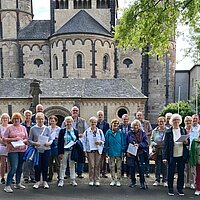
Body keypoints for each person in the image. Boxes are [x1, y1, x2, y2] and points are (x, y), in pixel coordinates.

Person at [163, 114, 189, 196]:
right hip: (172, 155)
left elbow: (187, 142)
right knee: (171, 172)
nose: (176, 121)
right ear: (172, 121)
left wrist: (186, 142)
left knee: (181, 173)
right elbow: (165, 146)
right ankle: (170, 189)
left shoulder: (183, 130)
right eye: (174, 120)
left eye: (178, 120)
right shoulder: (168, 132)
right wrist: (164, 157)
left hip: (181, 154)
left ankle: (180, 189)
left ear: (180, 121)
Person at [3, 112, 28, 193]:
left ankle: (18, 183)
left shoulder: (23, 128)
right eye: (15, 119)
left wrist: (22, 140)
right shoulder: (9, 128)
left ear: (20, 119)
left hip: (22, 149)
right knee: (14, 167)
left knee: (20, 168)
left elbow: (26, 139)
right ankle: (7, 185)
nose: (16, 120)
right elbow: (4, 138)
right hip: (12, 150)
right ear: (12, 120)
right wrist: (13, 139)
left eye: (18, 118)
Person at [29, 112, 52, 189]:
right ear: (36, 120)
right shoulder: (33, 129)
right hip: (37, 150)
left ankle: (45, 181)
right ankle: (37, 181)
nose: (40, 120)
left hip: (46, 149)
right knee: (37, 166)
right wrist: (35, 143)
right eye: (39, 119)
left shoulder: (47, 128)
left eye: (42, 119)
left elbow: (51, 139)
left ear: (44, 120)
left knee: (45, 165)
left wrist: (49, 143)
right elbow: (29, 140)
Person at [82, 116, 105, 186]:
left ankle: (97, 180)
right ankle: (91, 180)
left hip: (98, 150)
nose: (93, 123)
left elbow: (103, 140)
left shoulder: (100, 131)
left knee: (97, 166)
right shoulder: (86, 132)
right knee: (91, 166)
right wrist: (85, 151)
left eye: (95, 122)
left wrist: (100, 142)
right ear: (90, 123)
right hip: (90, 150)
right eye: (92, 122)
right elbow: (84, 142)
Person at [57, 116, 79, 187]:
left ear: (72, 122)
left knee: (72, 165)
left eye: (70, 122)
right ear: (65, 122)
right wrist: (60, 153)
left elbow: (77, 141)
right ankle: (61, 180)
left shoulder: (75, 131)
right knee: (63, 165)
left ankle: (73, 180)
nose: (69, 123)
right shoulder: (62, 131)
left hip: (73, 150)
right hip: (64, 151)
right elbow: (60, 142)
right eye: (67, 122)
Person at [126, 119, 148, 189]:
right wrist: (127, 151)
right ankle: (133, 181)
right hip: (131, 152)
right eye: (134, 126)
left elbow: (146, 143)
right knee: (132, 167)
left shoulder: (143, 133)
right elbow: (126, 142)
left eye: (137, 126)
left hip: (140, 153)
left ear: (139, 126)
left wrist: (139, 145)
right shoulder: (129, 133)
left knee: (141, 168)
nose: (135, 127)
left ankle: (142, 182)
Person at [104, 119, 126, 187]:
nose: (115, 125)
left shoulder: (121, 132)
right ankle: (113, 179)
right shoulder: (108, 132)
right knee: (112, 167)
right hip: (111, 152)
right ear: (111, 124)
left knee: (119, 167)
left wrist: (123, 150)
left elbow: (123, 142)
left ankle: (118, 180)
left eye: (117, 123)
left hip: (119, 152)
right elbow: (106, 142)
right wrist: (106, 151)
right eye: (114, 123)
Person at [70, 106, 87, 178]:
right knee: (70, 156)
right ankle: (68, 173)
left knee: (80, 156)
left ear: (78, 112)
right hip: (70, 141)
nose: (75, 112)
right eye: (73, 110)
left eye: (76, 110)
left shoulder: (82, 121)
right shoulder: (67, 120)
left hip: (80, 141)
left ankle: (79, 172)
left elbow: (86, 131)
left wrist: (82, 134)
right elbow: (63, 129)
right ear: (71, 112)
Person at [151, 116, 168, 187]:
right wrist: (155, 144)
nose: (161, 123)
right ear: (158, 122)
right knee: (157, 166)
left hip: (165, 150)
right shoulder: (154, 131)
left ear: (165, 122)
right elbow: (151, 140)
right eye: (159, 121)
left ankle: (165, 180)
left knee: (165, 166)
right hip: (157, 150)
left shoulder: (168, 130)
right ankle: (157, 180)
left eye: (162, 121)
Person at [21, 110, 36, 183]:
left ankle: (33, 177)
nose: (28, 117)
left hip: (32, 145)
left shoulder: (34, 125)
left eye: (29, 115)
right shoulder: (21, 125)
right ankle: (26, 177)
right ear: (24, 116)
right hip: (24, 145)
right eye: (26, 115)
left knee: (32, 161)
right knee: (25, 161)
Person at [136, 111, 152, 177]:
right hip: (138, 144)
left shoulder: (147, 123)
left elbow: (151, 131)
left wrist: (145, 135)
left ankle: (147, 172)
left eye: (140, 115)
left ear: (142, 116)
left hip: (146, 143)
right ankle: (140, 172)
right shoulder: (135, 123)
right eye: (138, 115)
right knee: (140, 159)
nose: (139, 116)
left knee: (146, 158)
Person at [96, 110, 109, 178]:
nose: (100, 116)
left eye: (101, 115)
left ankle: (104, 172)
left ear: (103, 116)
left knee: (104, 158)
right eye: (99, 115)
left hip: (104, 143)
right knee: (98, 158)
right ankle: (98, 172)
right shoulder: (96, 124)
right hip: (97, 143)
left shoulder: (106, 124)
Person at [183, 116, 195, 189]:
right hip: (184, 150)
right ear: (184, 122)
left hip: (193, 150)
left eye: (190, 121)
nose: (188, 123)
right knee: (184, 168)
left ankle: (192, 183)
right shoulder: (182, 130)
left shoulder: (195, 130)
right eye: (187, 121)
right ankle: (184, 182)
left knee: (192, 168)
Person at [48, 115, 61, 182]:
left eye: (54, 121)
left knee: (57, 163)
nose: (52, 122)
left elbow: (60, 138)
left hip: (56, 147)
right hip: (49, 147)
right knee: (49, 163)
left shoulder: (59, 129)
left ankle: (59, 176)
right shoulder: (47, 128)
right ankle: (50, 176)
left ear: (56, 122)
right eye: (51, 121)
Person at [0, 113, 10, 184]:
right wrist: (4, 143)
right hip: (2, 146)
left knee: (9, 163)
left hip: (10, 146)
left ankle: (10, 177)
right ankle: (2, 177)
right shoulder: (0, 127)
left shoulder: (10, 126)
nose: (5, 119)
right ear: (1, 119)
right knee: (3, 163)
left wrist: (8, 144)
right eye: (4, 118)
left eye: (6, 118)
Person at [190, 128, 200, 196]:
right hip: (198, 160)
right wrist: (193, 160)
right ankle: (198, 189)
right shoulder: (195, 140)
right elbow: (192, 152)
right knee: (198, 175)